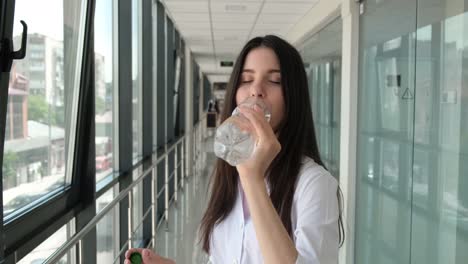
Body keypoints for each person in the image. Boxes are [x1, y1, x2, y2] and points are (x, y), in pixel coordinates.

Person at [125, 35, 344, 264]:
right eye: (246, 79)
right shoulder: (231, 173)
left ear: (294, 97)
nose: (256, 90)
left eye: (275, 81)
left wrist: (253, 179)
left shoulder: (314, 184)